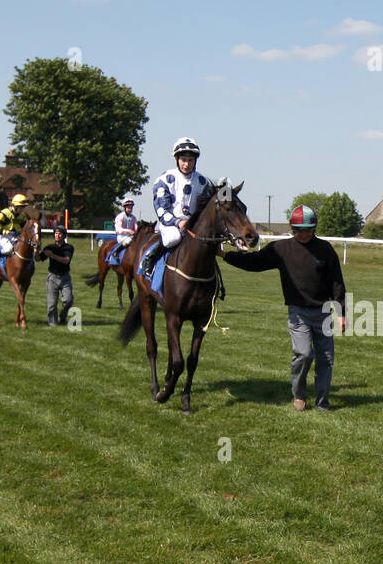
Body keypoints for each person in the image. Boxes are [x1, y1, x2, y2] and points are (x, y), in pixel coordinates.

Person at [222, 205, 346, 411]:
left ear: (314, 228)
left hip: (323, 313)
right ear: (292, 228)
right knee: (304, 354)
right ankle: (299, 394)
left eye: (307, 229)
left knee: (326, 359)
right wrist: (226, 256)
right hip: (298, 314)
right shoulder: (281, 249)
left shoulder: (325, 250)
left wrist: (342, 313)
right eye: (298, 230)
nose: (303, 234)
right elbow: (254, 262)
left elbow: (337, 283)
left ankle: (323, 402)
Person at [140, 138, 213, 281]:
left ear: (195, 161)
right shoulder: (165, 179)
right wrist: (178, 222)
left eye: (190, 160)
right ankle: (150, 258)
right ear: (177, 159)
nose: (186, 164)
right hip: (171, 225)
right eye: (183, 160)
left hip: (193, 226)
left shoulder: (203, 182)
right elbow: (161, 208)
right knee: (173, 237)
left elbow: (206, 208)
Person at [40, 224, 75, 326]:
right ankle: (53, 323)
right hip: (52, 278)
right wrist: (36, 250)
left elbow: (66, 260)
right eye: (56, 233)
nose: (57, 235)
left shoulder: (68, 248)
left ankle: (63, 316)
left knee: (69, 300)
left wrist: (52, 255)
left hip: (65, 278)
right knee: (51, 304)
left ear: (64, 236)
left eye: (60, 233)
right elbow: (38, 259)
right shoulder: (49, 247)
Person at [0, 194, 32, 264]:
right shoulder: (4, 213)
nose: (23, 208)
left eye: (24, 207)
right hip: (5, 237)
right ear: (15, 206)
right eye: (21, 207)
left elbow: (24, 227)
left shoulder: (22, 216)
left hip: (17, 236)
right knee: (8, 249)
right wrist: (6, 232)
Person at [110, 198, 138, 264]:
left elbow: (136, 227)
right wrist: (129, 231)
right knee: (129, 240)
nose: (130, 209)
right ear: (124, 208)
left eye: (131, 208)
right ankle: (116, 252)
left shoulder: (133, 217)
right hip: (122, 237)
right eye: (128, 208)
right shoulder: (120, 216)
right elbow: (118, 230)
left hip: (130, 236)